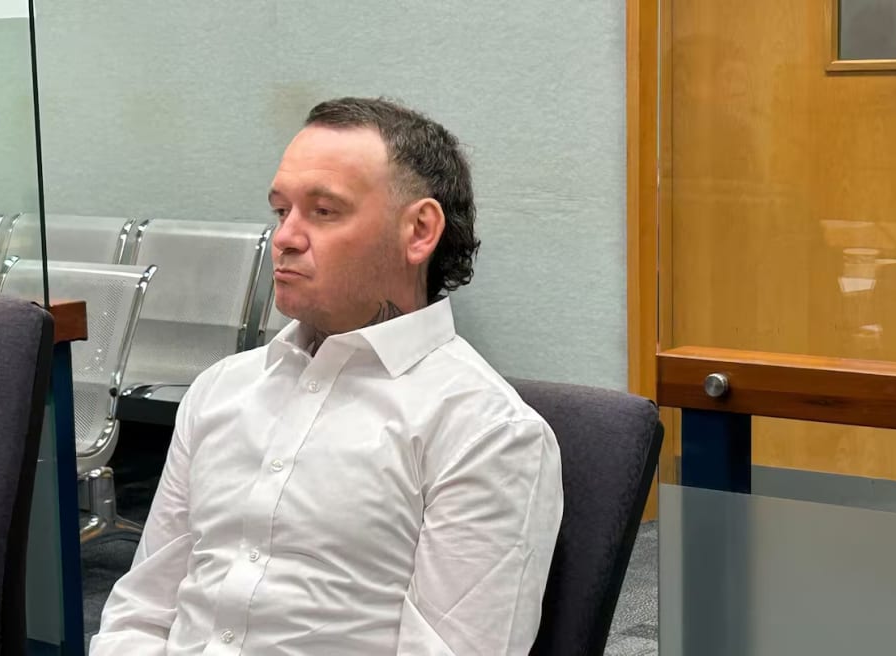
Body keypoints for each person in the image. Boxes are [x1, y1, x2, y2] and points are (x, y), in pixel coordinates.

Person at [90, 97, 563, 655]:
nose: (285, 238)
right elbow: (140, 612)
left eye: (323, 211)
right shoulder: (222, 389)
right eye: (280, 211)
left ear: (419, 231)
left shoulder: (486, 431)